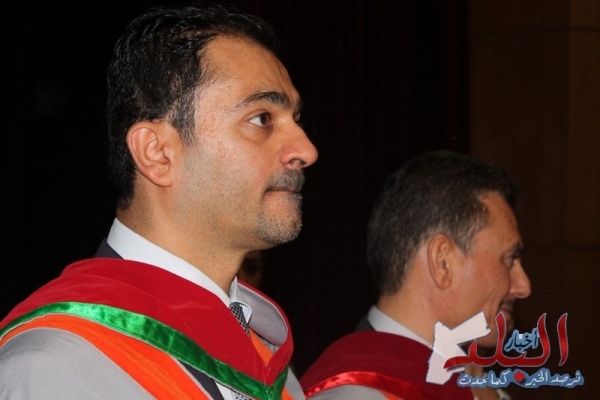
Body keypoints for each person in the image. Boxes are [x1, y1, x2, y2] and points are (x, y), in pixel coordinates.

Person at [0, 3, 317, 399]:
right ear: (157, 153)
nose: (306, 150)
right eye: (261, 119)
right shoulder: (56, 366)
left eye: (296, 119)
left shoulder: (273, 369)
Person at [300, 151, 531, 400]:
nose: (523, 286)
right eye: (509, 259)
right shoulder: (355, 392)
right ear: (442, 262)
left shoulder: (472, 383)